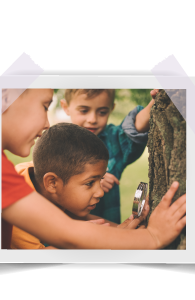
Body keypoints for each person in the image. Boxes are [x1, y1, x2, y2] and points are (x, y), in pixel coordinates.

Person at [2, 88, 186, 250]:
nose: (47, 124)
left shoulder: (33, 172)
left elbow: (81, 222)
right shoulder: (4, 177)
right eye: (45, 106)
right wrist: (153, 237)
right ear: (4, 97)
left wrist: (128, 229)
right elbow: (69, 238)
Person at [11, 123, 149, 249]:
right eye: (90, 183)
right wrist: (86, 241)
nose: (100, 192)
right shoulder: (17, 217)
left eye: (100, 179)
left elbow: (77, 217)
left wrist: (124, 232)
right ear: (52, 183)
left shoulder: (46, 177)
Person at [60, 89, 157, 223]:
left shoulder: (112, 141)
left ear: (112, 108)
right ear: (66, 107)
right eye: (84, 111)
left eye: (102, 112)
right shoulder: (56, 145)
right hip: (65, 235)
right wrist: (91, 181)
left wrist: (157, 99)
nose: (92, 119)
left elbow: (134, 128)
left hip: (108, 236)